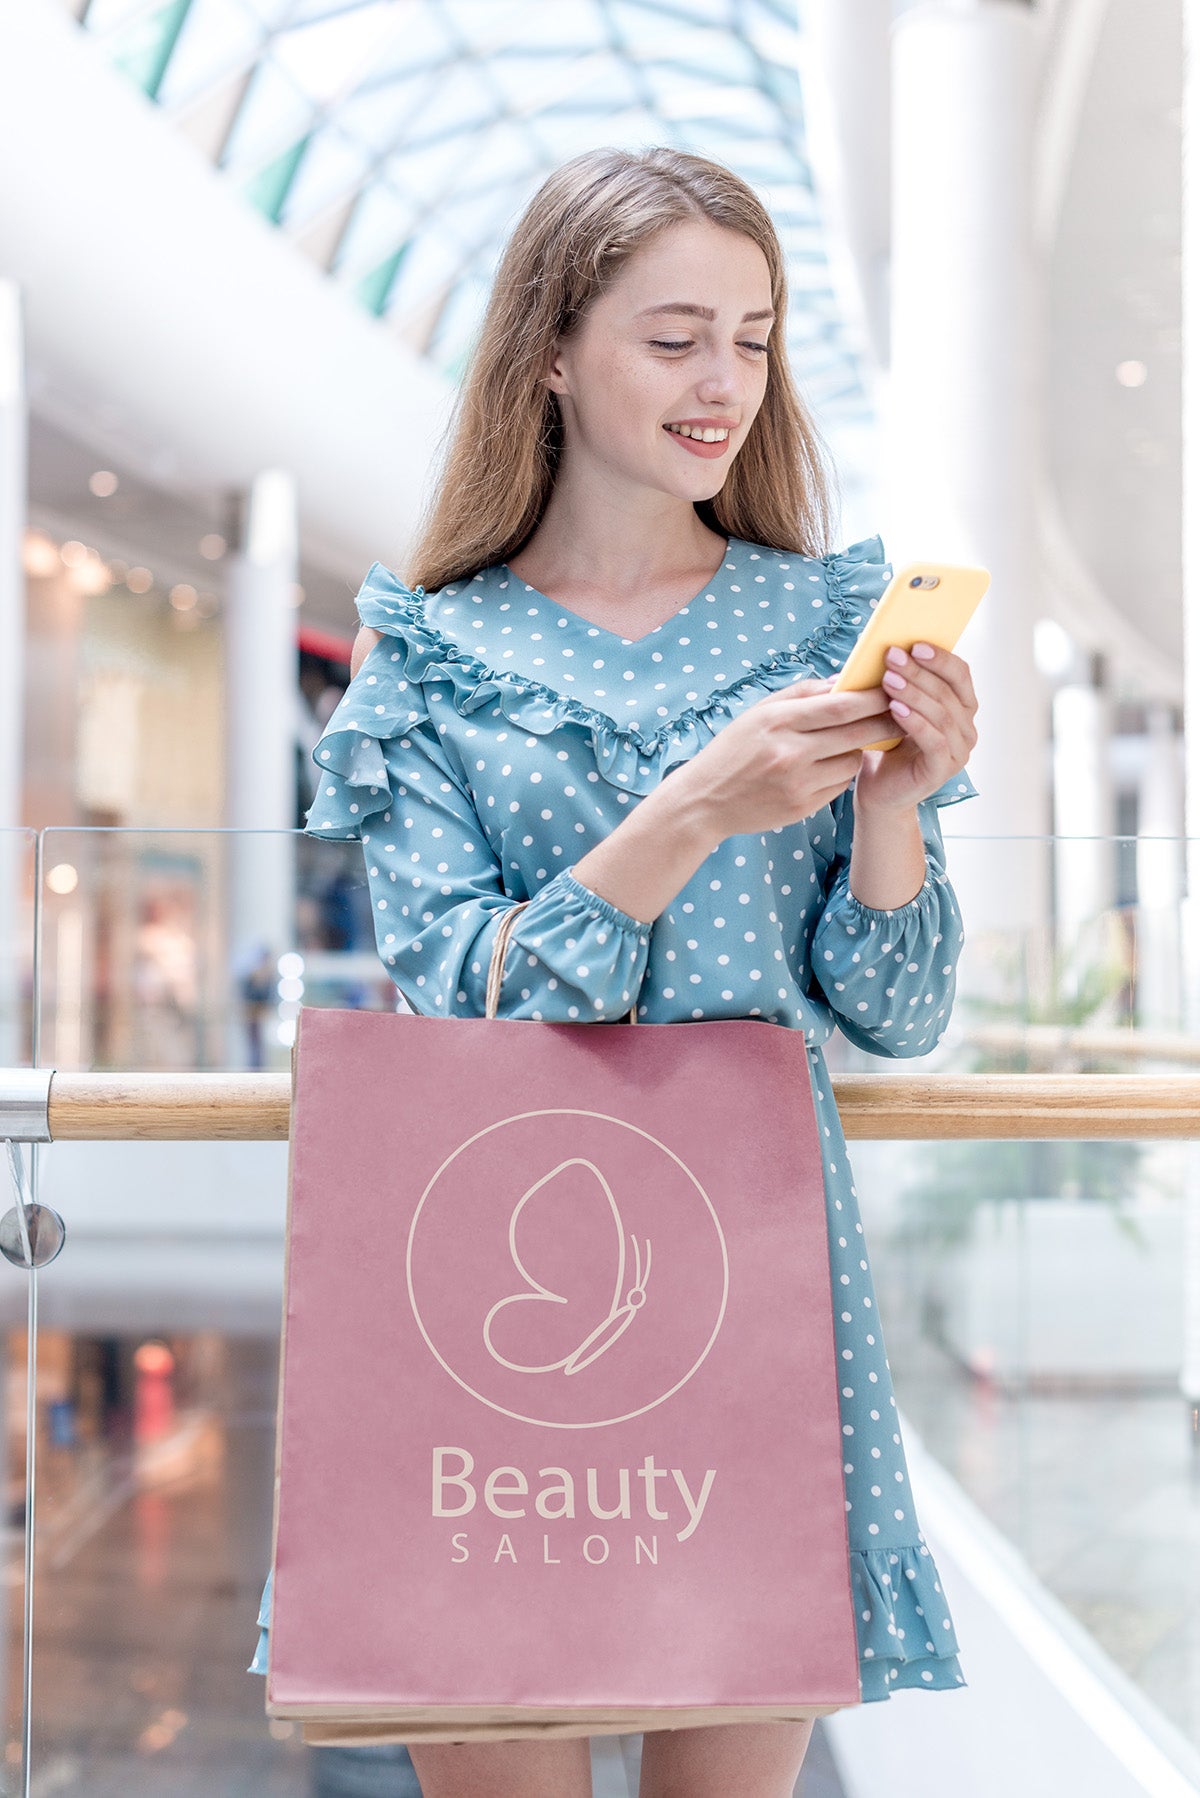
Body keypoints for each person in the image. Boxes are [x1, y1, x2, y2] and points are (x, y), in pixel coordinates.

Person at [250, 145, 978, 1797]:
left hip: (763, 1287)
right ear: (553, 350)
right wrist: (696, 806)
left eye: (756, 334)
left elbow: (900, 1009)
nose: (726, 381)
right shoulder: (431, 650)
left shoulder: (824, 623)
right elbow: (465, 1002)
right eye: (676, 337)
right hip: (475, 1302)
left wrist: (893, 801)